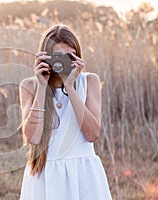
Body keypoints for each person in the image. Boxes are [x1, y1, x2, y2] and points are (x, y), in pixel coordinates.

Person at [19, 24, 112, 200]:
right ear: (45, 57)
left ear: (77, 56)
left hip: (83, 176)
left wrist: (70, 86)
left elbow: (92, 134)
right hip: (45, 177)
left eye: (69, 56)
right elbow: (32, 137)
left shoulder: (89, 81)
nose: (62, 63)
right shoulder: (29, 85)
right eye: (57, 57)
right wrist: (42, 85)